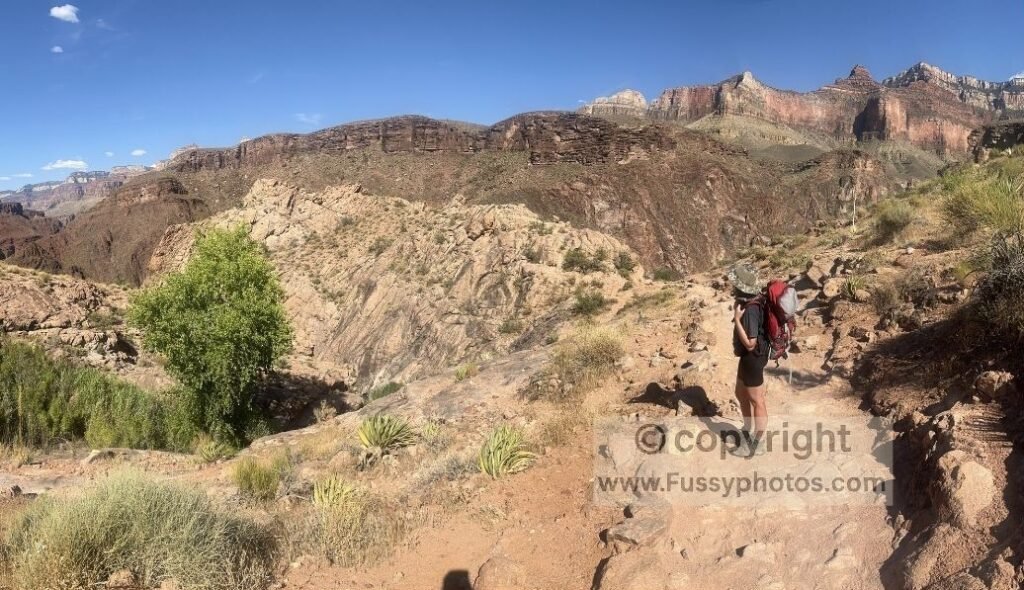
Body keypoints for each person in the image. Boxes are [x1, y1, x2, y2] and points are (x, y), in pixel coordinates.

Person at [729, 265, 769, 456]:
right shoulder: (748, 301)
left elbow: (751, 343)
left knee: (756, 400)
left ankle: (758, 442)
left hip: (753, 357)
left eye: (735, 284)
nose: (732, 286)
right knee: (740, 393)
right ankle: (746, 430)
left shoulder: (751, 309)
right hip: (747, 358)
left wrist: (737, 320)